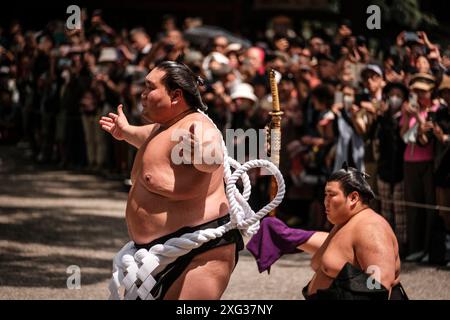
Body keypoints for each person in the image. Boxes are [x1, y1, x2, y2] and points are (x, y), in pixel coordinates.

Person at [99, 60, 243, 300]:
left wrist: (203, 155)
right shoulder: (162, 129)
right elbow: (143, 137)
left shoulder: (198, 126)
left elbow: (212, 156)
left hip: (200, 253)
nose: (142, 94)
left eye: (149, 87)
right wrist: (124, 131)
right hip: (154, 252)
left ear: (176, 95)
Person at [247, 163, 408, 300]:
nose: (326, 201)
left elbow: (378, 287)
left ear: (353, 198)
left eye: (332, 195)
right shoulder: (344, 224)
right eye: (325, 195)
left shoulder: (371, 229)